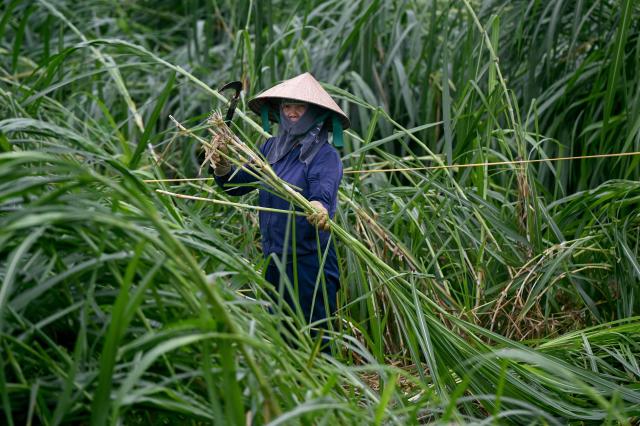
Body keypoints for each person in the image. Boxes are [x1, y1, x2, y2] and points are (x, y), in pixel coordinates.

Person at [212, 72, 349, 349]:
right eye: (287, 106)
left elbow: (323, 189)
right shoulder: (271, 149)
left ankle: (324, 389)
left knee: (315, 335)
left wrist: (318, 206)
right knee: (282, 333)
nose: (293, 112)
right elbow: (237, 185)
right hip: (274, 258)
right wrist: (223, 166)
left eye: (300, 106)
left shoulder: (324, 154)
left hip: (309, 260)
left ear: (314, 112)